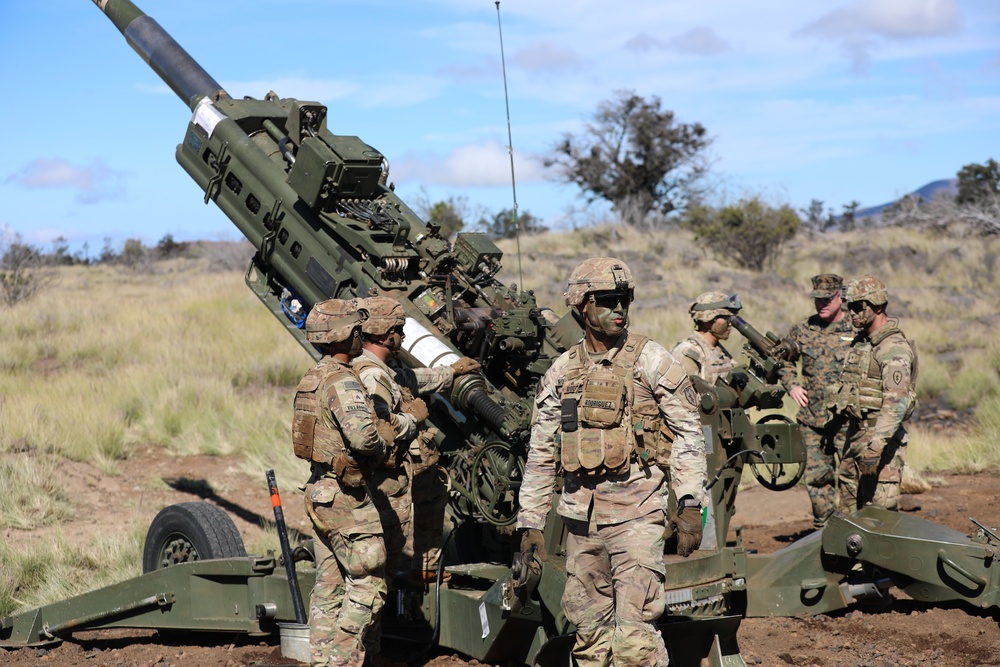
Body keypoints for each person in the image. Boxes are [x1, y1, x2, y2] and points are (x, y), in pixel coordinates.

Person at [516, 257, 707, 667]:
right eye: (607, 300)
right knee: (588, 638)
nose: (619, 308)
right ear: (582, 305)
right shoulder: (563, 371)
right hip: (581, 524)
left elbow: (689, 433)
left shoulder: (652, 360)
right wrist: (530, 523)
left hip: (638, 517)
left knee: (635, 640)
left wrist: (691, 503)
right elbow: (541, 452)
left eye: (625, 299)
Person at [351, 296, 480, 586]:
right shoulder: (372, 375)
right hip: (387, 474)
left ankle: (426, 567)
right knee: (390, 542)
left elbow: (409, 378)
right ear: (385, 335)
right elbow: (379, 429)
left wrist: (451, 372)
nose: (403, 335)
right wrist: (413, 416)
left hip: (406, 469)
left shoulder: (382, 369)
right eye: (399, 329)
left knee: (433, 491)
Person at [291, 297, 390, 667]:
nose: (361, 336)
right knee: (369, 582)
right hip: (345, 496)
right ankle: (342, 660)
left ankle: (322, 660)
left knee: (329, 585)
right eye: (356, 330)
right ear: (345, 334)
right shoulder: (341, 381)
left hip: (318, 492)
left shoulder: (311, 378)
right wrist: (383, 444)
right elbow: (364, 438)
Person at [827, 275, 917, 512]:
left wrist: (876, 446)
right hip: (855, 435)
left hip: (880, 440)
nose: (852, 313)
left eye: (858, 306)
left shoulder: (892, 347)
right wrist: (834, 425)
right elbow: (850, 390)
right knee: (848, 512)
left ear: (877, 306)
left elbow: (896, 401)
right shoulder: (862, 343)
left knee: (878, 515)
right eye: (849, 307)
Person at [777, 274, 856, 528]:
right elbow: (782, 359)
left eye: (827, 299)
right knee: (816, 478)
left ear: (840, 297)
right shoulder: (803, 330)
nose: (821, 304)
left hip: (847, 420)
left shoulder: (855, 329)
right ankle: (825, 529)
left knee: (850, 477)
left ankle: (852, 530)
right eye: (817, 299)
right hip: (812, 420)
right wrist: (792, 386)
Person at [671, 291, 742, 385]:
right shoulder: (689, 352)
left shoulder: (719, 351)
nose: (730, 324)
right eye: (726, 318)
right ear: (708, 320)